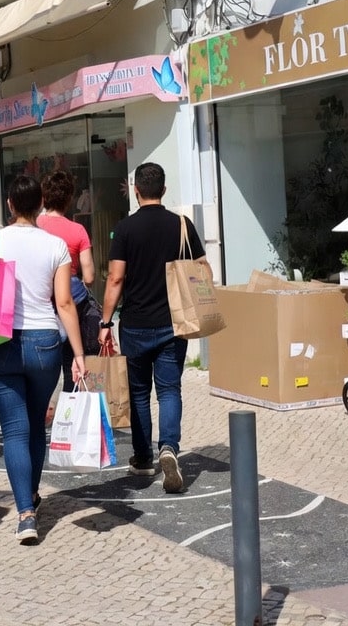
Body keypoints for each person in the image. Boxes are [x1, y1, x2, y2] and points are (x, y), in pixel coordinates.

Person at [0, 175, 87, 545]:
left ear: (9, 204)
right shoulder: (56, 245)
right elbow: (64, 303)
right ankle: (33, 493)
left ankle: (25, 513)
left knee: (14, 430)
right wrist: (78, 353)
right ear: (40, 204)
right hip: (44, 344)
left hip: (0, 342)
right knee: (36, 425)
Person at [99, 162, 209, 494]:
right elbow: (202, 269)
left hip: (135, 324)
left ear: (135, 191)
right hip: (173, 322)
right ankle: (169, 447)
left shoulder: (125, 229)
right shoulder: (181, 225)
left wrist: (105, 322)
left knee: (138, 393)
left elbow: (115, 278)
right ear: (163, 190)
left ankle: (144, 458)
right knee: (169, 389)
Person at [38, 170, 101, 395]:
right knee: (70, 367)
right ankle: (69, 407)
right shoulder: (78, 230)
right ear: (69, 199)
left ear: (43, 197)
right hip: (72, 306)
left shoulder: (35, 226)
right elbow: (90, 277)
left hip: (40, 305)